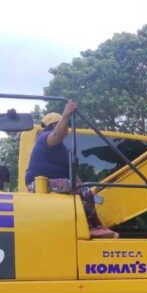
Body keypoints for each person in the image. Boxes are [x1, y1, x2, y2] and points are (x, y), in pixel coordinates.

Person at [25, 100, 117, 238]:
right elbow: (57, 134)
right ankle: (92, 227)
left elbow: (71, 174)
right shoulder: (45, 139)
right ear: (55, 125)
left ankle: (94, 226)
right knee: (80, 189)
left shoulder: (62, 150)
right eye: (65, 125)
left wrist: (85, 189)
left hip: (50, 183)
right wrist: (67, 113)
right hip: (38, 184)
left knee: (83, 190)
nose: (67, 130)